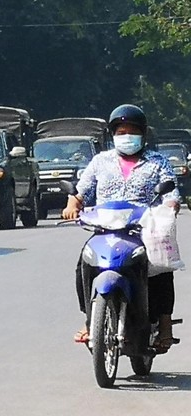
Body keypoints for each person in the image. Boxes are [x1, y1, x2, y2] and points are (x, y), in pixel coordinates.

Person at [62, 104, 181, 351]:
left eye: (132, 131)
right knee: (84, 264)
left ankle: (165, 325)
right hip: (105, 230)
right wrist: (72, 204)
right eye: (121, 131)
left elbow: (172, 193)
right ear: (112, 134)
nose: (126, 137)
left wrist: (170, 207)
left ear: (143, 134)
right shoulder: (100, 162)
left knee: (160, 269)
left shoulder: (157, 162)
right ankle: (90, 319)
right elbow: (80, 192)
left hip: (142, 230)